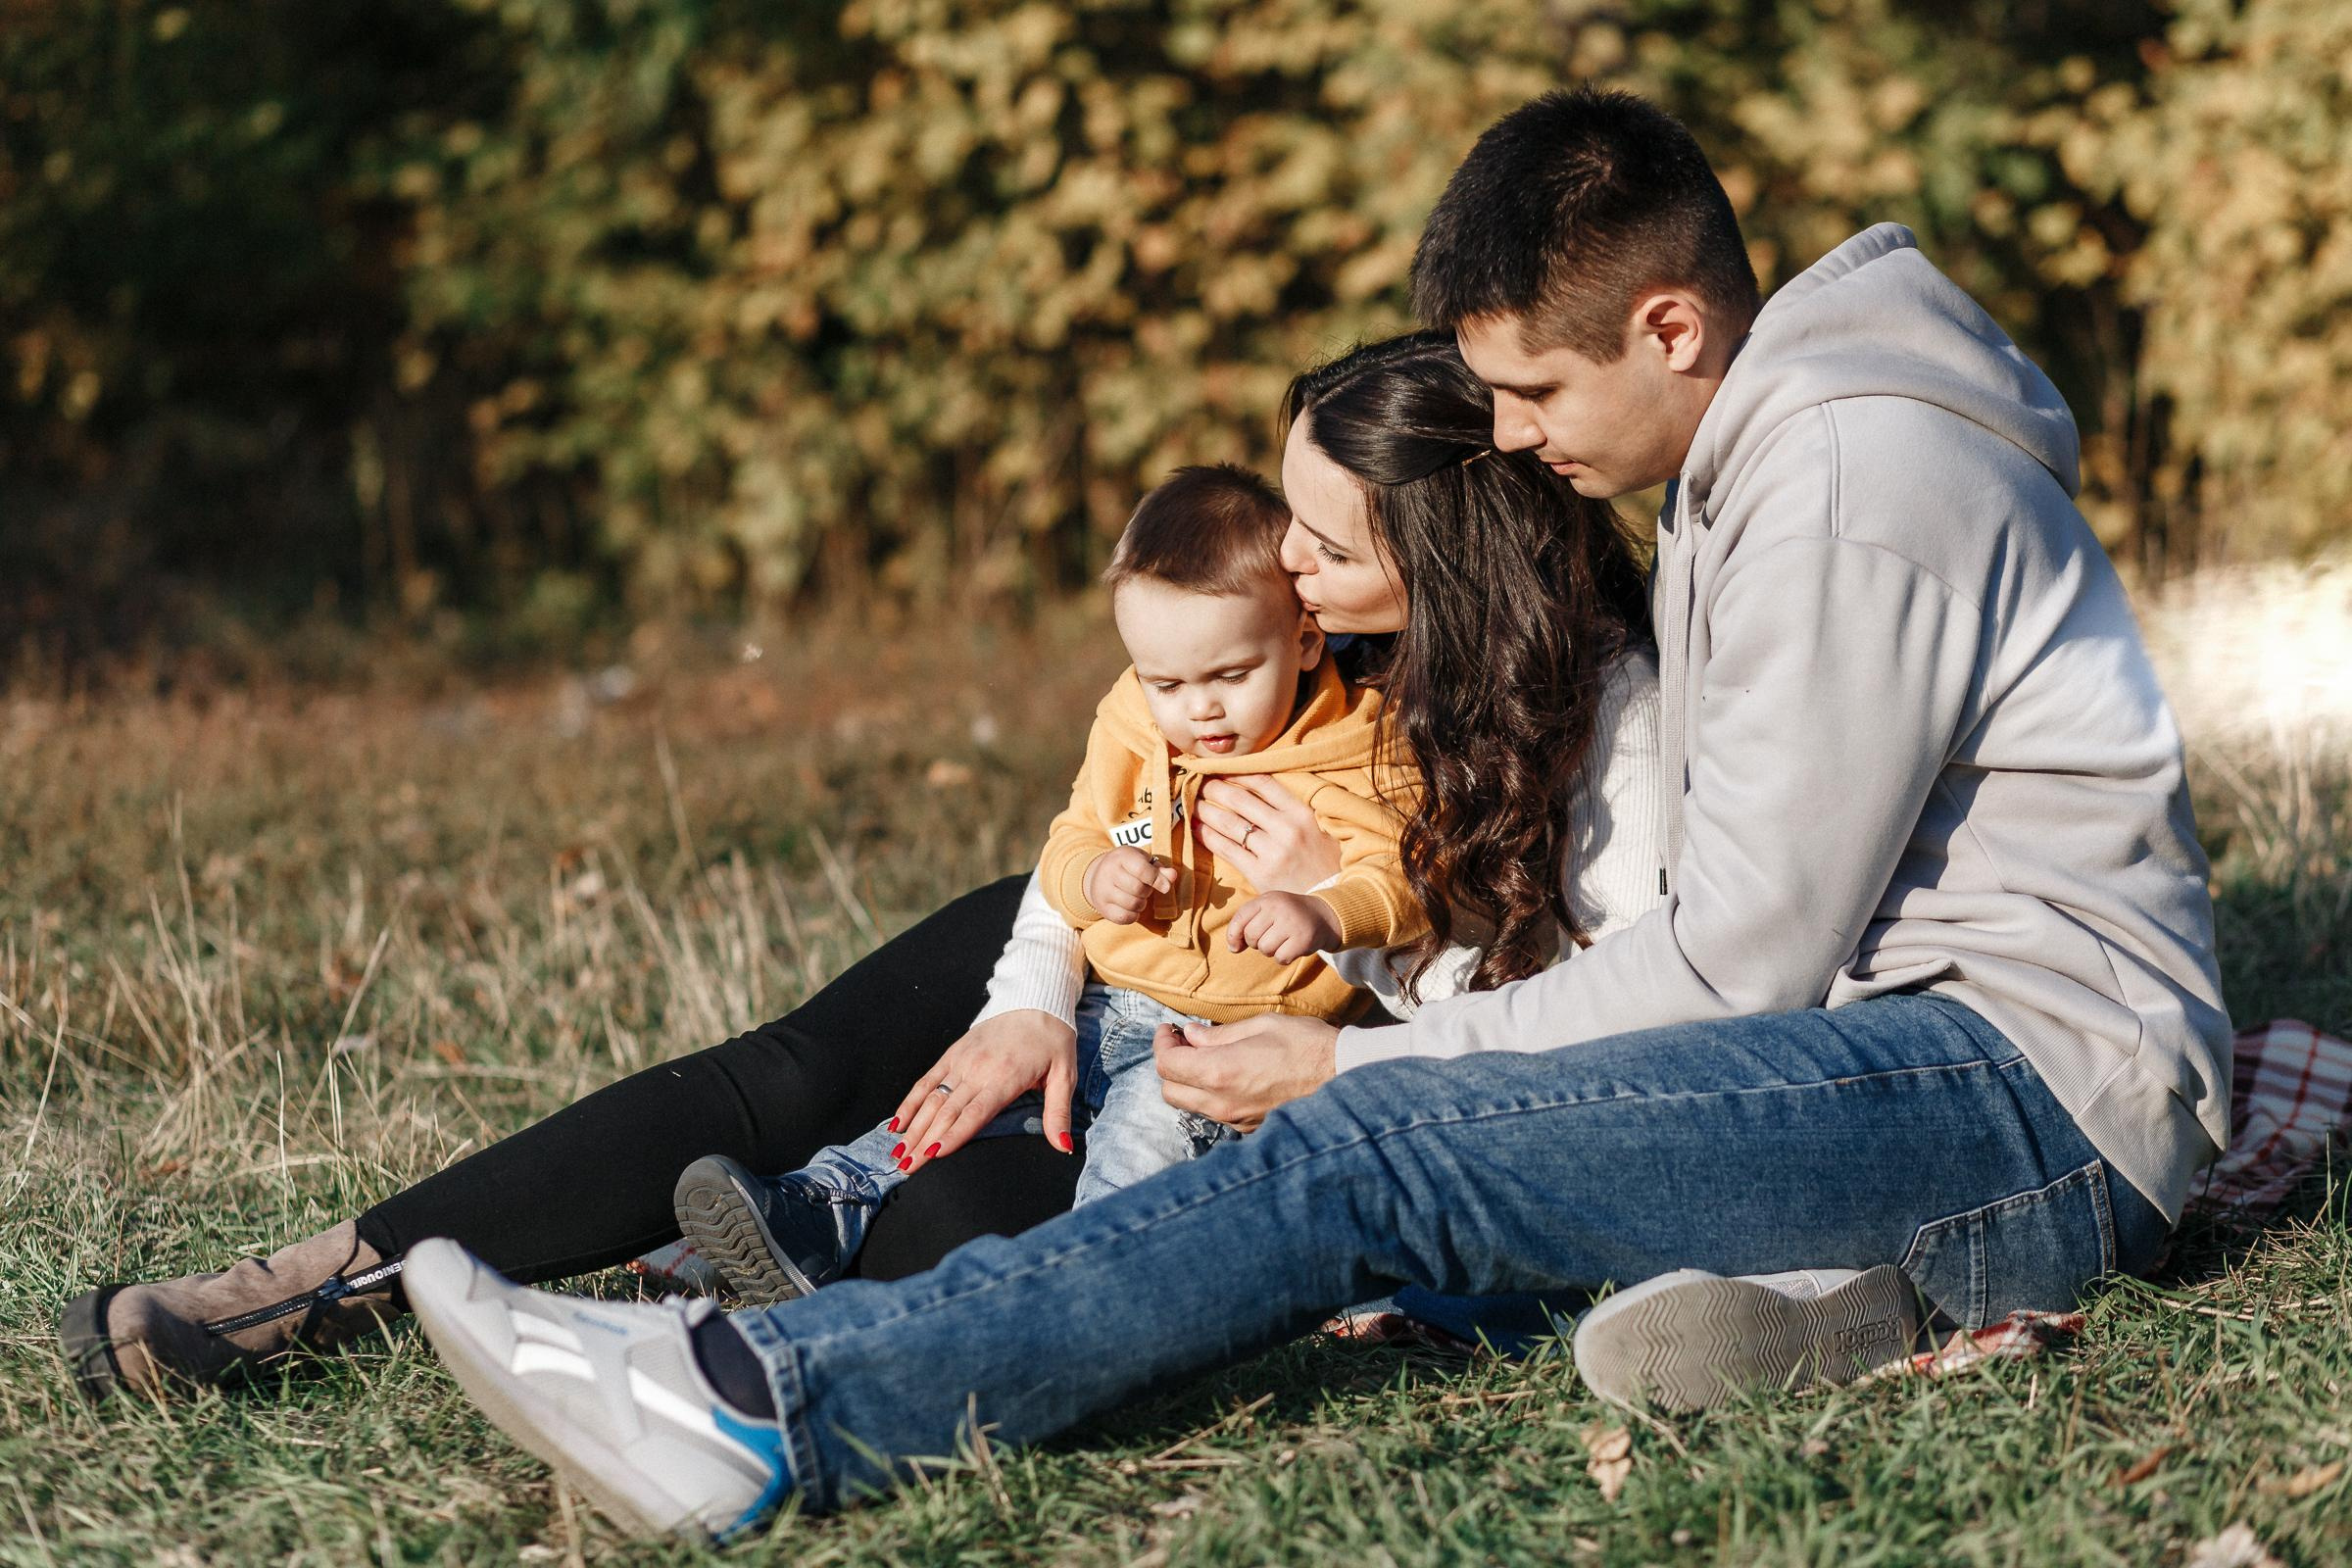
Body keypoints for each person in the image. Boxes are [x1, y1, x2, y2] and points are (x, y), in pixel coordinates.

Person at [397, 85, 2228, 1542]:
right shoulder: (1785, 454)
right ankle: (1831, 1300)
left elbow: (1740, 951)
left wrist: (1358, 1070)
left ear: (1672, 324)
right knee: (1378, 1132)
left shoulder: (1843, 475)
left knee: (1371, 1152)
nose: (1505, 437)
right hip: (1927, 1071)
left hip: (2022, 1085)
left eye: (1532, 388)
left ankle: (760, 1407)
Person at [58, 336, 1658, 1404]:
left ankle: (702, 1322)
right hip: (1123, 950)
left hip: (1301, 1038)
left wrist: (1348, 973)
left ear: (1442, 548)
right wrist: (1037, 989)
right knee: (810, 1063)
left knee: (941, 1221)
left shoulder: (1596, 723)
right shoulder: (1278, 634)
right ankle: (326, 1279)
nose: (1283, 566)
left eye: (1321, 539)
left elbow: (1598, 1009)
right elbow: (1107, 791)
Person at [673, 463, 1431, 1302]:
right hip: (1109, 1000)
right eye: (1168, 683)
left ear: (1305, 642)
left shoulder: (1358, 748)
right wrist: (1094, 876)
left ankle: (1081, 1290)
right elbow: (1073, 836)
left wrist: (1325, 908)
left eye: (1230, 677)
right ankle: (820, 1207)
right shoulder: (1136, 723)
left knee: (1142, 1146)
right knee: (964, 1096)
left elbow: (1401, 881)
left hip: (1235, 1037)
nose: (1200, 711)